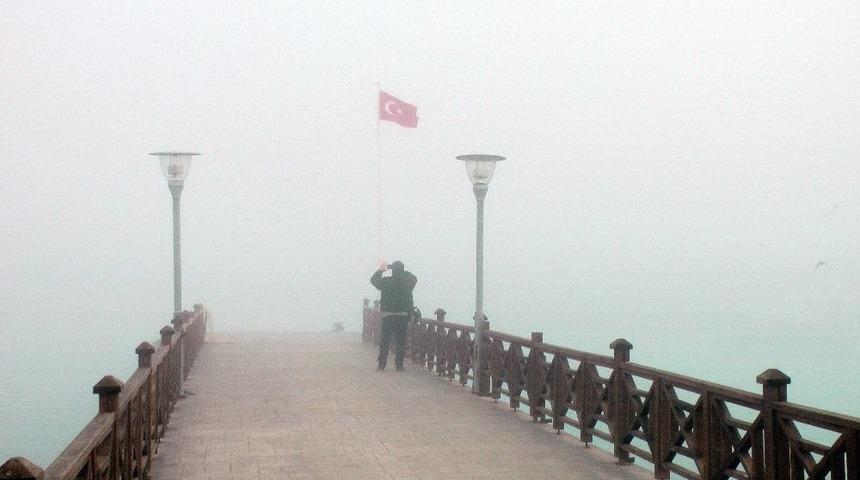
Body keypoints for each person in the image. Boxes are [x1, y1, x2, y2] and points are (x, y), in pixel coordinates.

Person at [370, 260, 417, 371]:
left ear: (393, 270)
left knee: (385, 342)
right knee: (401, 342)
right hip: (402, 316)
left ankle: (381, 365)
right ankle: (399, 365)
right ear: (402, 270)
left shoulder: (386, 282)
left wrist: (382, 270)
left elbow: (373, 280)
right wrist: (402, 271)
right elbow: (414, 278)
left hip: (388, 316)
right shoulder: (407, 283)